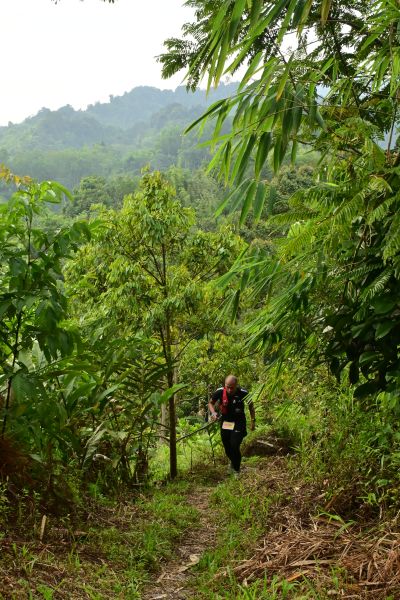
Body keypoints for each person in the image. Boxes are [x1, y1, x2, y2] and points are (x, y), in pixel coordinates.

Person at [208, 375, 255, 478]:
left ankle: (237, 470)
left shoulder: (243, 393)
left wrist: (253, 421)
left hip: (239, 422)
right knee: (227, 446)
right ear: (225, 385)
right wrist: (213, 413)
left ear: (236, 385)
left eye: (232, 387)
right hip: (226, 422)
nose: (229, 390)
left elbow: (251, 406)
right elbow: (210, 403)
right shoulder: (220, 391)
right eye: (227, 387)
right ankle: (233, 462)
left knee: (235, 444)